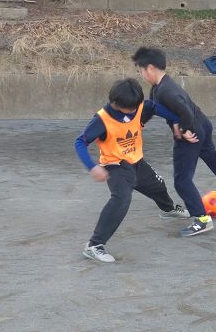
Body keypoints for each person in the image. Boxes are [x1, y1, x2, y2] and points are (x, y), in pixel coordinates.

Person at [75, 78, 194, 263]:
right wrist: (92, 167)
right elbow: (80, 142)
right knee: (121, 199)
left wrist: (176, 121)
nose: (133, 111)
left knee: (158, 185)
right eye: (129, 109)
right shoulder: (102, 119)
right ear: (115, 103)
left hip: (136, 161)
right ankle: (94, 245)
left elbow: (153, 107)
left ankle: (168, 210)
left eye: (135, 107)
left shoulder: (139, 106)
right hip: (115, 165)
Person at [132, 47, 216, 237]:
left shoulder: (165, 91)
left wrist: (185, 130)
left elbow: (184, 111)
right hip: (203, 124)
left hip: (192, 130)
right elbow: (153, 108)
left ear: (150, 68)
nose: (141, 75)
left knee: (182, 180)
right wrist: (138, 124)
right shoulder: (161, 87)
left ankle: (201, 219)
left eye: (141, 70)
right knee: (210, 155)